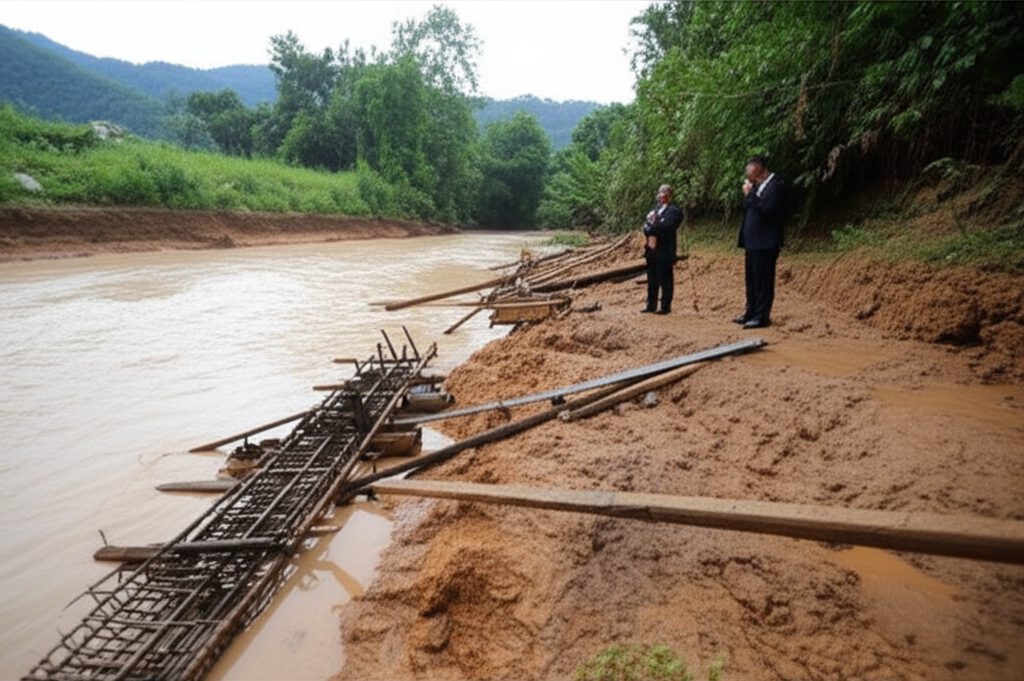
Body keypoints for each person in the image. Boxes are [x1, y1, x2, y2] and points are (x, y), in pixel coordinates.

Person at [735, 156, 787, 329]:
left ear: (764, 171)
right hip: (752, 241)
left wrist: (750, 195)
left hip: (766, 241)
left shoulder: (777, 185)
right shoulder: (757, 186)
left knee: (763, 280)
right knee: (751, 280)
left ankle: (761, 315)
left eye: (754, 176)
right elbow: (749, 207)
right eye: (750, 177)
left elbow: (768, 209)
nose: (752, 180)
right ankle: (750, 311)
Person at [642, 184, 683, 314]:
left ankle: (665, 306)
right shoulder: (654, 211)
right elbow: (646, 227)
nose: (662, 196)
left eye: (665, 193)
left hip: (665, 249)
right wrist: (652, 226)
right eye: (660, 193)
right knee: (652, 278)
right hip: (652, 249)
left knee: (665, 278)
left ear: (670, 196)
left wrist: (654, 224)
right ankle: (651, 305)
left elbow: (668, 227)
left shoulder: (674, 212)